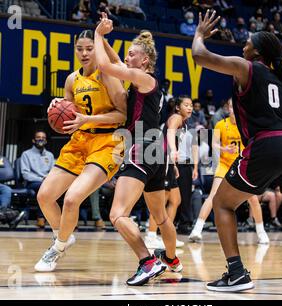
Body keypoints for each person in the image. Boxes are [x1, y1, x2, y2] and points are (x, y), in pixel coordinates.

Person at [192, 10, 282, 292]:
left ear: (257, 50)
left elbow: (200, 56)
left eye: (248, 41)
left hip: (266, 144)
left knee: (222, 203)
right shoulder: (281, 85)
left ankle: (236, 274)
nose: (244, 43)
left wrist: (198, 35)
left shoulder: (247, 67)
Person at [94, 14, 182, 286]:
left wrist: (97, 35)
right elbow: (117, 62)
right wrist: (106, 41)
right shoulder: (147, 81)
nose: (127, 57)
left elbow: (106, 66)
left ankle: (148, 261)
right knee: (160, 215)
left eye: (132, 54)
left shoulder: (141, 78)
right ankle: (171, 259)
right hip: (156, 152)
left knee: (117, 214)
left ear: (144, 60)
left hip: (142, 147)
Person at [34, 29, 127, 272]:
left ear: (97, 49)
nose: (84, 53)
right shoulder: (71, 80)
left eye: (89, 48)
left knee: (73, 198)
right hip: (79, 141)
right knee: (44, 196)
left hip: (108, 142)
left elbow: (122, 115)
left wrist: (88, 120)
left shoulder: (107, 75)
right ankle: (63, 235)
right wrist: (57, 107)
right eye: (80, 49)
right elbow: (69, 115)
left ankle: (58, 248)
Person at [189, 100, 269, 244]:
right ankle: (196, 230)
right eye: (232, 107)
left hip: (242, 165)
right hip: (225, 164)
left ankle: (261, 232)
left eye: (237, 106)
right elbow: (214, 144)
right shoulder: (221, 124)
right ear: (228, 108)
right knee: (213, 195)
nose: (234, 109)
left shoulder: (246, 126)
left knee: (253, 199)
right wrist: (223, 149)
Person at [145, 95, 193, 249]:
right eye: (186, 105)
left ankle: (167, 234)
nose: (190, 108)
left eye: (191, 105)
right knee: (161, 200)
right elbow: (170, 132)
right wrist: (172, 151)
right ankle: (151, 236)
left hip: (168, 161)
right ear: (178, 107)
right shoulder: (176, 118)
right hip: (161, 158)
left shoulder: (184, 123)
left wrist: (173, 165)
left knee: (176, 200)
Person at [20, 130, 55, 228]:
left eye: (43, 138)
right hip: (32, 182)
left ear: (46, 141)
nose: (41, 139)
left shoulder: (50, 155)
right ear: (33, 140)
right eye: (38, 137)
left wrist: (47, 179)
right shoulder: (26, 154)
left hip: (47, 182)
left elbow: (53, 172)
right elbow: (25, 174)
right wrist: (41, 179)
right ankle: (41, 217)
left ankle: (58, 220)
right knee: (43, 187)